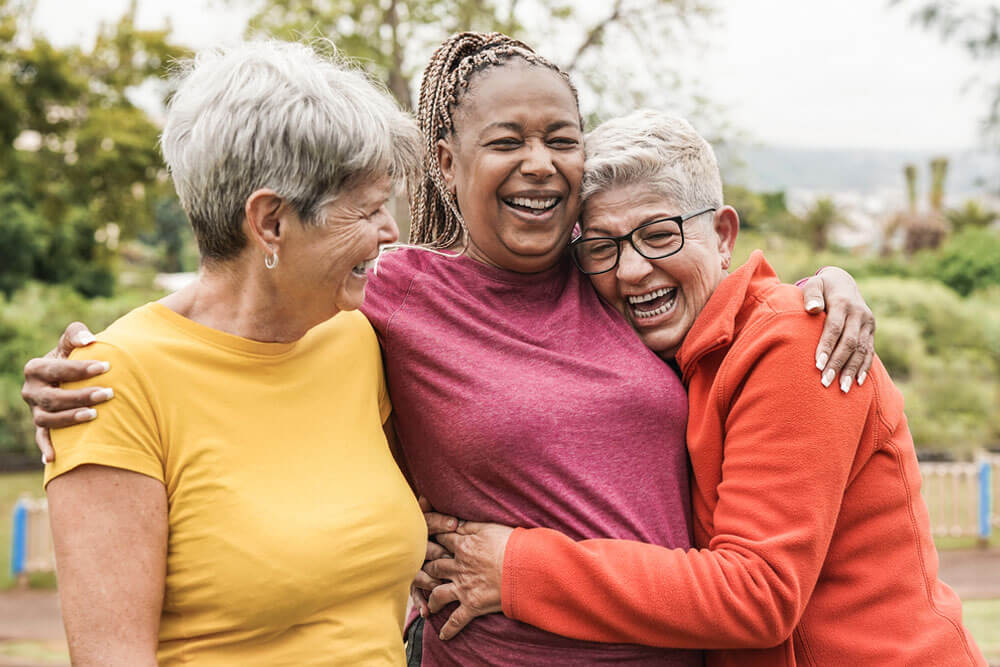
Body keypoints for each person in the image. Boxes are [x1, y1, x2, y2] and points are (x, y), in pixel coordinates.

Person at [24, 33, 877, 666]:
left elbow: (704, 280)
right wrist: (93, 363)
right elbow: (236, 306)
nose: (540, 164)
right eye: (506, 141)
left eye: (561, 139)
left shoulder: (610, 273)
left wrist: (824, 286)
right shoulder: (387, 296)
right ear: (446, 159)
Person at [414, 110, 987, 666]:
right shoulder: (664, 354)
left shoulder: (794, 343)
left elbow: (758, 593)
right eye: (603, 248)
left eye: (659, 235)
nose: (632, 269)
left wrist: (517, 568)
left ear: (722, 234)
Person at [35, 41, 427, 665]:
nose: (391, 233)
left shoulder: (356, 335)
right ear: (270, 222)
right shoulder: (112, 386)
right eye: (370, 210)